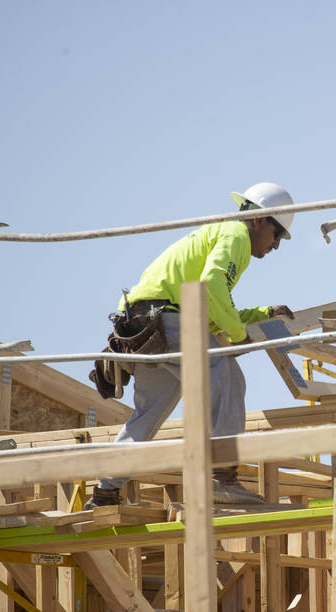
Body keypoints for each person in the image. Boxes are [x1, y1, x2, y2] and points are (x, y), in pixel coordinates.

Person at [86, 182, 297, 509]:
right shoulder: (235, 234)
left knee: (148, 414)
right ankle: (221, 478)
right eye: (278, 235)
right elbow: (212, 286)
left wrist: (262, 314)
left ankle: (105, 492)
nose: (276, 246)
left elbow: (212, 305)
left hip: (143, 325)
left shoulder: (216, 235)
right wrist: (237, 334)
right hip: (170, 322)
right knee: (229, 377)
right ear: (259, 219)